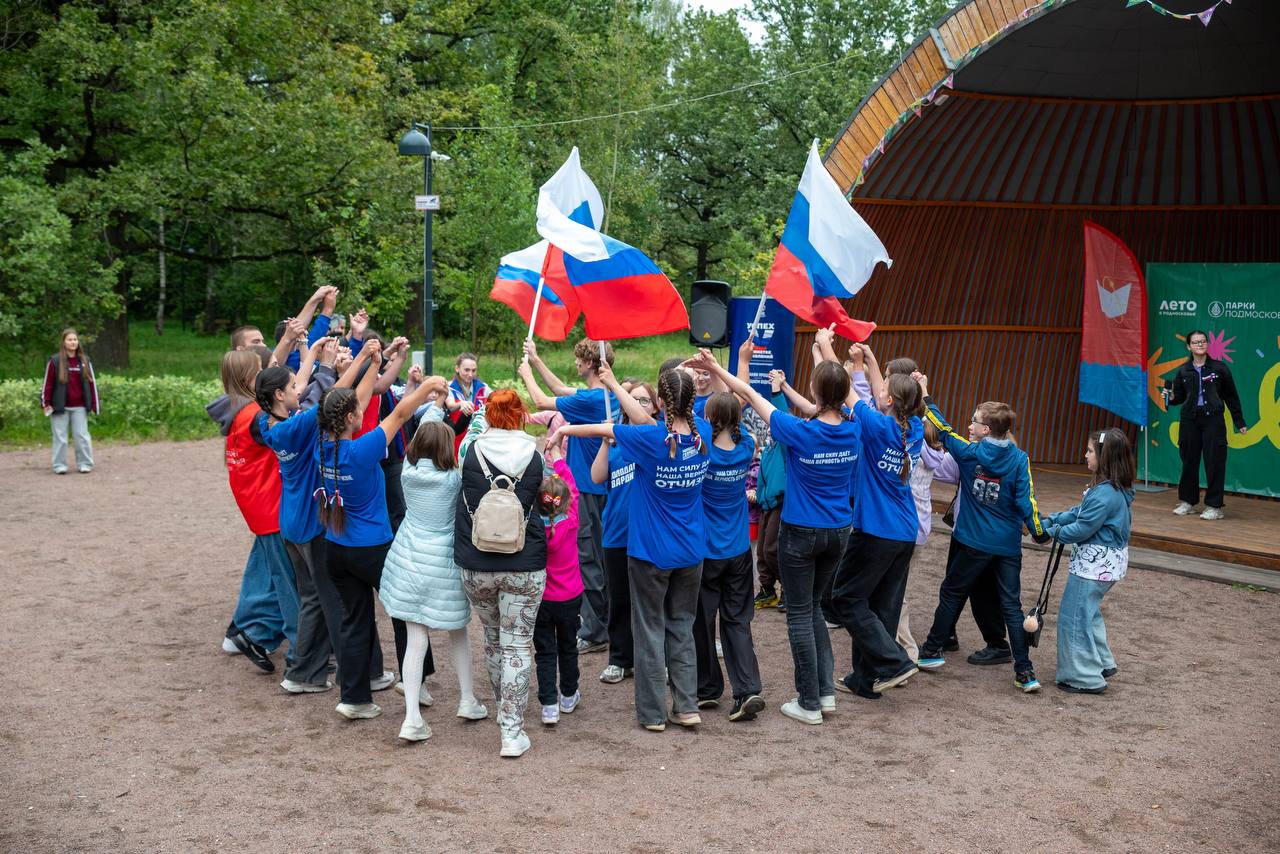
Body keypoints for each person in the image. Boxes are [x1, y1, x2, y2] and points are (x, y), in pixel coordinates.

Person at [688, 344, 858, 726]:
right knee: (813, 609)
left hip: (800, 533)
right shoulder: (854, 428)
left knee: (798, 614)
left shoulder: (797, 431)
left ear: (814, 393)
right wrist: (825, 355)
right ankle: (824, 693)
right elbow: (837, 399)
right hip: (839, 532)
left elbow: (749, 396)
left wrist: (717, 366)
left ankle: (809, 702)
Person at [548, 368, 711, 732]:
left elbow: (604, 429)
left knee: (650, 629)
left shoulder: (651, 439)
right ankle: (686, 706)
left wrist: (564, 430)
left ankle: (653, 715)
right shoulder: (705, 435)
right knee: (681, 628)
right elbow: (644, 418)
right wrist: (610, 385)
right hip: (691, 552)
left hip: (650, 553)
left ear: (662, 404)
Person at [314, 366, 448, 721]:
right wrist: (429, 387)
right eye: (357, 410)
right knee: (407, 614)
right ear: (349, 418)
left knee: (354, 621)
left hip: (335, 549)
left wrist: (370, 364)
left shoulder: (321, 447)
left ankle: (354, 698)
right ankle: (415, 682)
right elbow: (401, 413)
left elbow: (343, 407)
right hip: (372, 549)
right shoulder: (362, 451)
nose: (362, 411)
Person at [914, 375, 1051, 694]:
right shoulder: (1020, 459)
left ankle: (931, 651)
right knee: (1011, 607)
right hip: (1007, 545)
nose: (970, 425)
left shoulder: (969, 453)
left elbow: (942, 429)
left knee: (951, 593)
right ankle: (1025, 672)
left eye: (974, 422)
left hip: (972, 542)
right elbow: (1026, 500)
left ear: (987, 429)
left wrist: (925, 396)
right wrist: (1040, 533)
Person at [379, 421, 488, 742]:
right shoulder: (454, 480)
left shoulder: (407, 474)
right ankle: (467, 699)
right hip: (443, 563)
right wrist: (477, 424)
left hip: (410, 560)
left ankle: (413, 717)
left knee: (416, 638)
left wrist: (436, 406)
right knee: (458, 632)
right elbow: (468, 451)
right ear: (445, 447)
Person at [828, 349, 926, 700]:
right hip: (904, 531)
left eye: (882, 386)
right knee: (881, 606)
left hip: (875, 531)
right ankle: (866, 679)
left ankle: (894, 661)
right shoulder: (913, 426)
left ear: (888, 399)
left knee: (845, 599)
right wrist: (868, 360)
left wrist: (826, 346)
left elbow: (844, 392)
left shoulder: (876, 425)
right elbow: (880, 394)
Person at [454, 389, 546, 758]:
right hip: (524, 564)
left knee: (493, 639)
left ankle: (501, 709)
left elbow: (472, 434)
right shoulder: (535, 454)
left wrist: (480, 416)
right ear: (522, 413)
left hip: (476, 562)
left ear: (488, 414)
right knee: (518, 644)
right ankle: (512, 730)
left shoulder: (470, 450)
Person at [254, 334, 349, 694]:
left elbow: (302, 382)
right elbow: (333, 394)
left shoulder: (269, 424)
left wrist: (309, 354)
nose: (299, 388)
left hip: (290, 523)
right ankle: (337, 669)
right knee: (330, 598)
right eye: (293, 386)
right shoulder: (296, 425)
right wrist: (356, 364)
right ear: (280, 395)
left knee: (311, 599)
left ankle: (301, 672)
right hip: (310, 524)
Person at [519, 338, 616, 655]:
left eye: (578, 360)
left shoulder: (590, 400)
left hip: (587, 489)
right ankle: (603, 623)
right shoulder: (604, 394)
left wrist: (526, 375)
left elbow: (542, 401)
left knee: (588, 558)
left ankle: (593, 631)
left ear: (590, 364)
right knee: (600, 556)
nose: (575, 364)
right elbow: (561, 390)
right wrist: (535, 360)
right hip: (602, 486)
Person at [207, 349, 300, 674]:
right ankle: (298, 652)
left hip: (262, 510)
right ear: (251, 379)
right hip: (272, 509)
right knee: (289, 582)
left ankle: (253, 633)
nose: (270, 370)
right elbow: (292, 426)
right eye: (264, 369)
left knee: (272, 576)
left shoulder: (240, 411)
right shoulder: (254, 417)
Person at [1043, 428, 1135, 694]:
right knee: (1089, 613)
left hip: (1093, 566)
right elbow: (1078, 513)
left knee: (1073, 618)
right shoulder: (1111, 490)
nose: (1085, 455)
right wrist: (1053, 520)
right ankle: (1102, 662)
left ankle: (1082, 676)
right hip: (1108, 565)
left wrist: (1049, 532)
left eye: (1090, 451)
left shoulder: (1104, 494)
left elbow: (1082, 528)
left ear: (1104, 457)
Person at [693, 392, 766, 722]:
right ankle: (747, 689)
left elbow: (686, 415)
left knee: (702, 621)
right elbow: (737, 404)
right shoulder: (747, 445)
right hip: (738, 551)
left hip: (708, 552)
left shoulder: (703, 449)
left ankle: (707, 688)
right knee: (737, 621)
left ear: (709, 419)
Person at [591, 377, 658, 685]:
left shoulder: (656, 440)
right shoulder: (616, 441)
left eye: (645, 400)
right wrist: (605, 441)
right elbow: (596, 477)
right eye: (634, 398)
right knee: (619, 600)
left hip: (648, 535)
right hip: (617, 533)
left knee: (650, 602)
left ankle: (654, 660)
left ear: (656, 407)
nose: (638, 404)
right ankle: (620, 659)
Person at [1163, 329, 1249, 520]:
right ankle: (1188, 502)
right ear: (1189, 346)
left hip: (1214, 421)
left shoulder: (1220, 368)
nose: (1200, 345)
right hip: (1189, 421)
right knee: (1189, 461)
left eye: (1203, 341)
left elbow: (1231, 396)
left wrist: (1239, 421)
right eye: (1195, 342)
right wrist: (1171, 396)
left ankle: (1214, 506)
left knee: (1215, 462)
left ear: (1207, 344)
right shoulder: (1184, 370)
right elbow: (1178, 398)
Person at [534, 446, 584, 726]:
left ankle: (549, 705)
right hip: (570, 597)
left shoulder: (535, 527)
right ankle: (568, 694)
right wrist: (559, 460)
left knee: (544, 651)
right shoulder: (572, 521)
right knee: (568, 647)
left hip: (542, 598)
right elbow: (573, 489)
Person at [41, 328, 98, 474]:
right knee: (60, 438)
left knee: (81, 436)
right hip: (60, 407)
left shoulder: (85, 360)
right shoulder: (54, 361)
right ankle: (60, 466)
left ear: (78, 342)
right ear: (63, 342)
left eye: (75, 340)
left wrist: (94, 404)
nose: (73, 342)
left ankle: (85, 463)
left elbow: (92, 385)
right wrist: (45, 403)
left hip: (79, 407)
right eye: (69, 340)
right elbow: (47, 384)